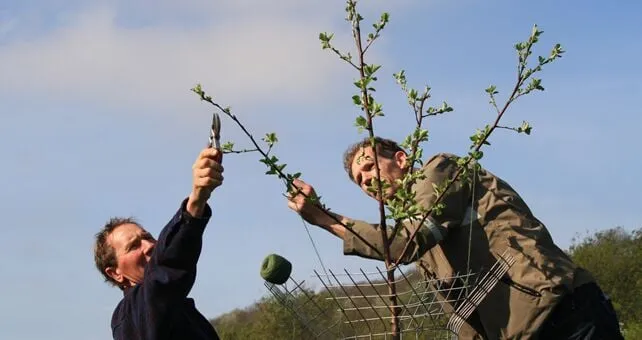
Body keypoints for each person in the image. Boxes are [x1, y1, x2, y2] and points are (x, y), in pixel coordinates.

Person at [287, 136, 623, 339]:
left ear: (401, 160)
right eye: (360, 181)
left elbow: (401, 246)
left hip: (562, 314)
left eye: (371, 167)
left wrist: (323, 218)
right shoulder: (420, 234)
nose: (368, 181)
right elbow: (464, 309)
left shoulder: (440, 172)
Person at [94, 147, 224, 340]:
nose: (149, 245)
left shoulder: (176, 309)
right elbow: (166, 270)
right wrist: (196, 202)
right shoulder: (132, 313)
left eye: (147, 237)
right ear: (115, 273)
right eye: (133, 246)